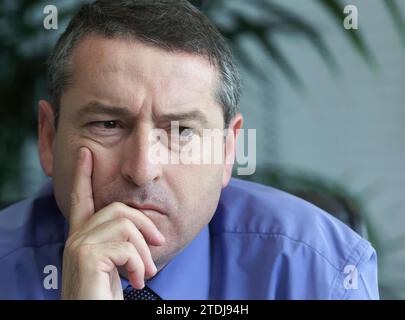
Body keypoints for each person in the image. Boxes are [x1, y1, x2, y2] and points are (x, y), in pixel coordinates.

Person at [0, 0, 378, 300]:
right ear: (49, 138)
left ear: (229, 149)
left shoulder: (320, 272)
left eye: (181, 130)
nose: (143, 168)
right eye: (108, 125)